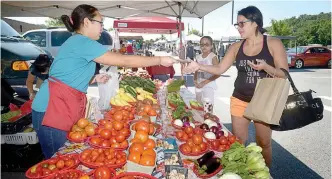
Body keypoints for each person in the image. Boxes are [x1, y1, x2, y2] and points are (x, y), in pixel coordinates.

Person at [32, 4, 175, 159]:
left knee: (65, 158)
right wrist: (159, 59)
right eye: (100, 22)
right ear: (87, 22)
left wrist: (93, 78)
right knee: (58, 162)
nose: (102, 27)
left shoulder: (77, 41)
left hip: (59, 105)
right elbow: (123, 60)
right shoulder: (82, 42)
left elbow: (67, 73)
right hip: (51, 109)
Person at [183, 6, 288, 168]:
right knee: (238, 142)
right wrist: (198, 66)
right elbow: (219, 69)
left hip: (264, 101)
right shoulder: (236, 47)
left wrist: (266, 67)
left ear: (255, 23)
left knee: (264, 143)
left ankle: (265, 173)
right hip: (239, 99)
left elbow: (284, 73)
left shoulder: (273, 43)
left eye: (241, 24)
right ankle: (242, 172)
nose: (238, 28)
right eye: (237, 24)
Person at [194, 36, 220, 104]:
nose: (204, 46)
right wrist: (195, 80)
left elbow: (218, 73)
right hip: (198, 85)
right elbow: (196, 71)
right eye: (202, 44)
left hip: (209, 85)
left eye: (207, 44)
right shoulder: (198, 57)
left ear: (211, 46)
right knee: (198, 106)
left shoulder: (213, 57)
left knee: (208, 107)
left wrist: (204, 82)